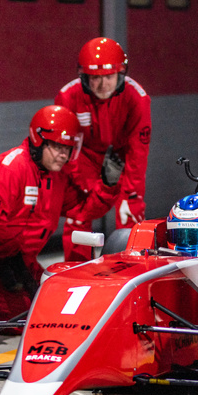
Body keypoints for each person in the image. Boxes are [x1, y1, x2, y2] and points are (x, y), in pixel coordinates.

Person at [0, 105, 118, 322]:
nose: (64, 155)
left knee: (58, 305)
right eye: (58, 147)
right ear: (39, 140)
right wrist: (9, 262)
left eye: (68, 148)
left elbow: (82, 210)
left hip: (19, 261)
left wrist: (108, 184)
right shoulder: (11, 168)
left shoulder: (55, 176)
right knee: (26, 319)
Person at [55, 37, 152, 261]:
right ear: (84, 76)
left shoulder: (138, 98)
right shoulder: (67, 97)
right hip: (83, 156)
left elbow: (138, 151)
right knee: (78, 212)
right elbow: (68, 150)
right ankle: (75, 270)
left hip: (123, 156)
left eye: (109, 77)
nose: (103, 85)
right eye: (95, 78)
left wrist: (130, 193)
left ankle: (130, 267)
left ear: (120, 74)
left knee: (131, 210)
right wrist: (88, 188)